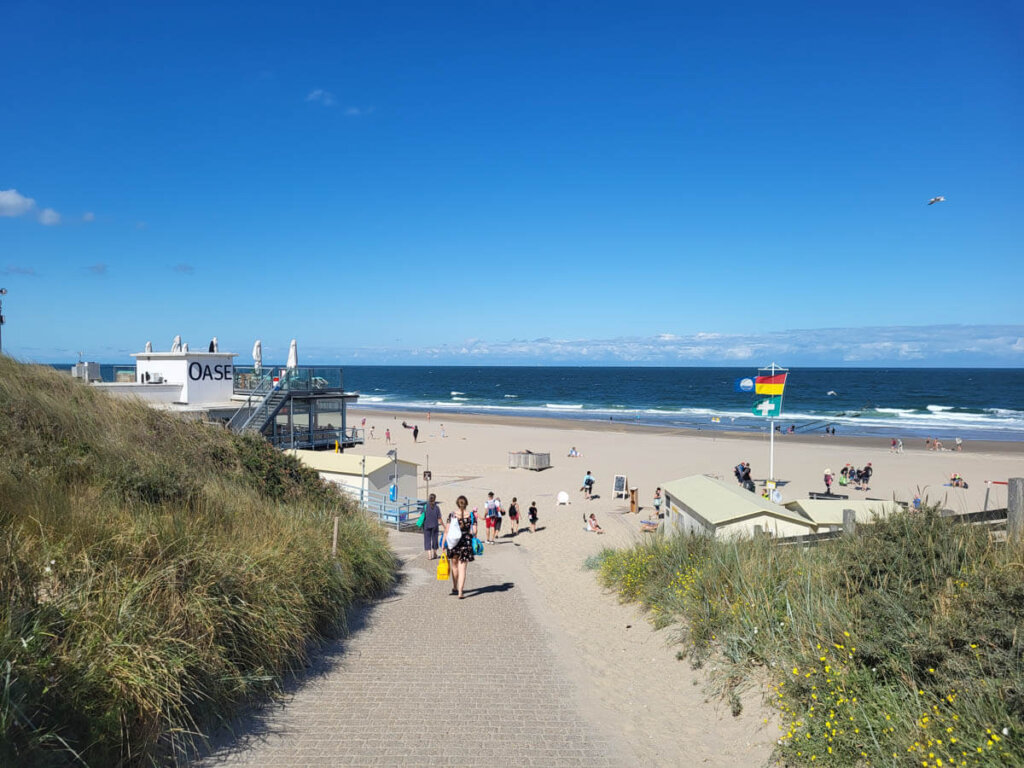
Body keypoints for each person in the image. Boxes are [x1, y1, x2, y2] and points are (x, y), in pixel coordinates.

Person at [445, 495, 476, 599]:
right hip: (465, 543)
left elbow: (447, 530)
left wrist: (443, 543)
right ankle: (460, 592)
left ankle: (455, 586)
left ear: (457, 504)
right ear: (466, 504)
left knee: (454, 566)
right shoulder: (471, 515)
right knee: (462, 568)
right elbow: (474, 531)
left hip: (454, 543)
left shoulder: (452, 515)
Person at [423, 494, 444, 560]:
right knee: (435, 539)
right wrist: (444, 526)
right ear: (435, 499)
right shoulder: (437, 507)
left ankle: (429, 555)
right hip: (435, 525)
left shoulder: (425, 506)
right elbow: (439, 518)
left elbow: (422, 515)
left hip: (427, 525)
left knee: (427, 539)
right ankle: (435, 553)